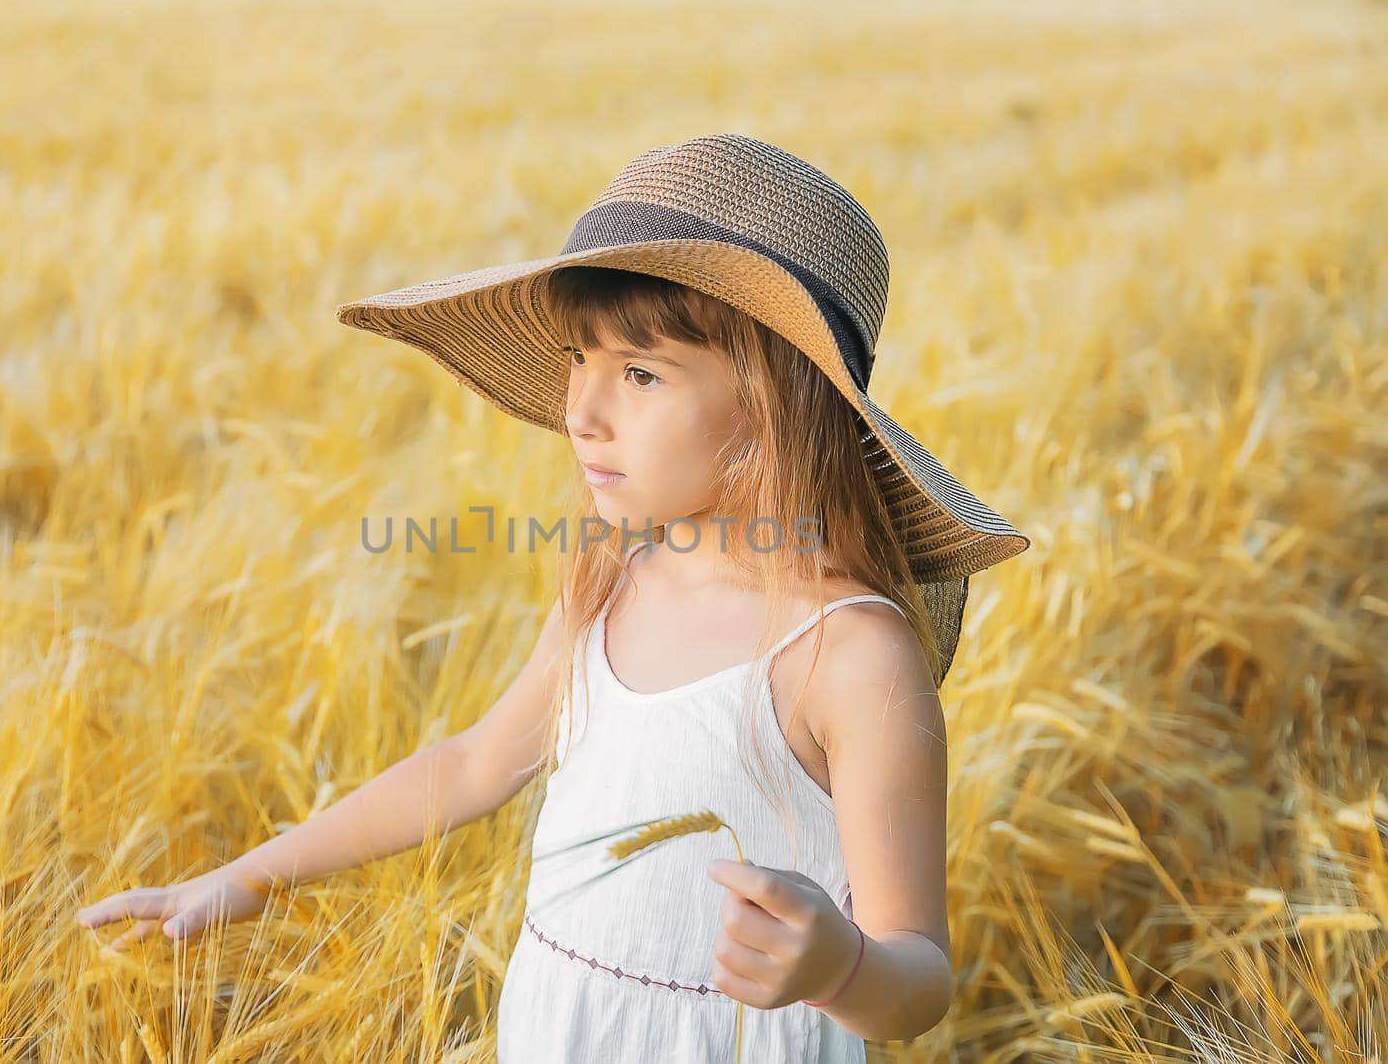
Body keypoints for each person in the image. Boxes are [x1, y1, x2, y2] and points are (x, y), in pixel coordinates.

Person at [75, 133, 1031, 1061]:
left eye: (641, 374)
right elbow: (476, 762)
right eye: (580, 358)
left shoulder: (850, 654)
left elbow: (919, 985)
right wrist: (244, 877)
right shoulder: (612, 576)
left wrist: (838, 963)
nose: (580, 410)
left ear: (775, 405)